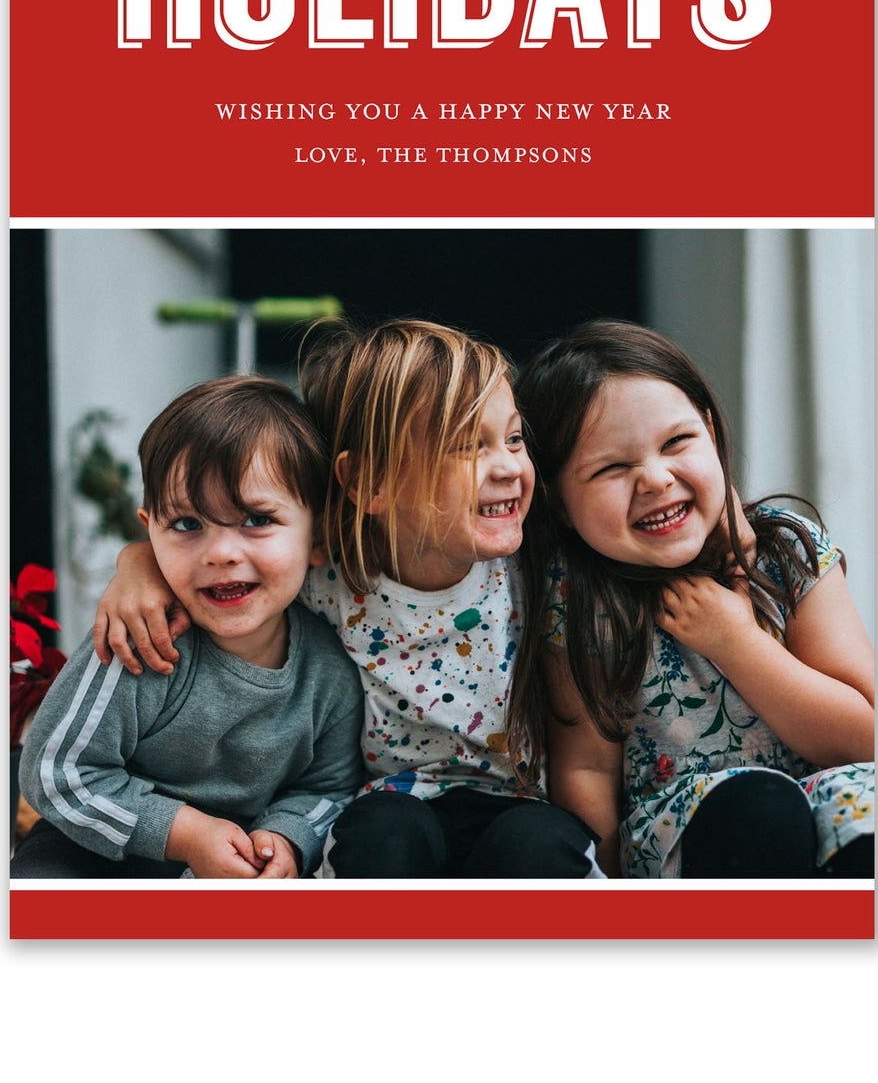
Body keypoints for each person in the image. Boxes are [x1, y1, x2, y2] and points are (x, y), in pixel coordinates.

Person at [92, 319, 603, 879]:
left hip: (521, 806)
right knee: (381, 835)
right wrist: (141, 563)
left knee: (545, 844)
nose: (507, 466)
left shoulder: (539, 567)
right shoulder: (330, 575)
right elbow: (233, 561)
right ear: (369, 482)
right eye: (465, 446)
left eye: (513, 438)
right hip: (388, 808)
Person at [510, 319, 875, 879]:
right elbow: (586, 772)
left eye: (677, 442)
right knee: (759, 810)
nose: (655, 478)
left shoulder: (785, 550)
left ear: (710, 431)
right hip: (687, 826)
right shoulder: (578, 599)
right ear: (558, 502)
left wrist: (739, 644)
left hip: (822, 791)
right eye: (612, 468)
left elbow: (867, 737)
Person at [11, 375, 363, 880]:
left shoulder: (328, 672)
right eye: (186, 525)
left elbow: (329, 788)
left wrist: (286, 837)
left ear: (319, 535)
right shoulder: (139, 641)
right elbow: (55, 772)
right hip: (102, 844)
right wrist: (186, 834)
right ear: (149, 527)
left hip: (241, 858)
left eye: (257, 520)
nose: (220, 553)